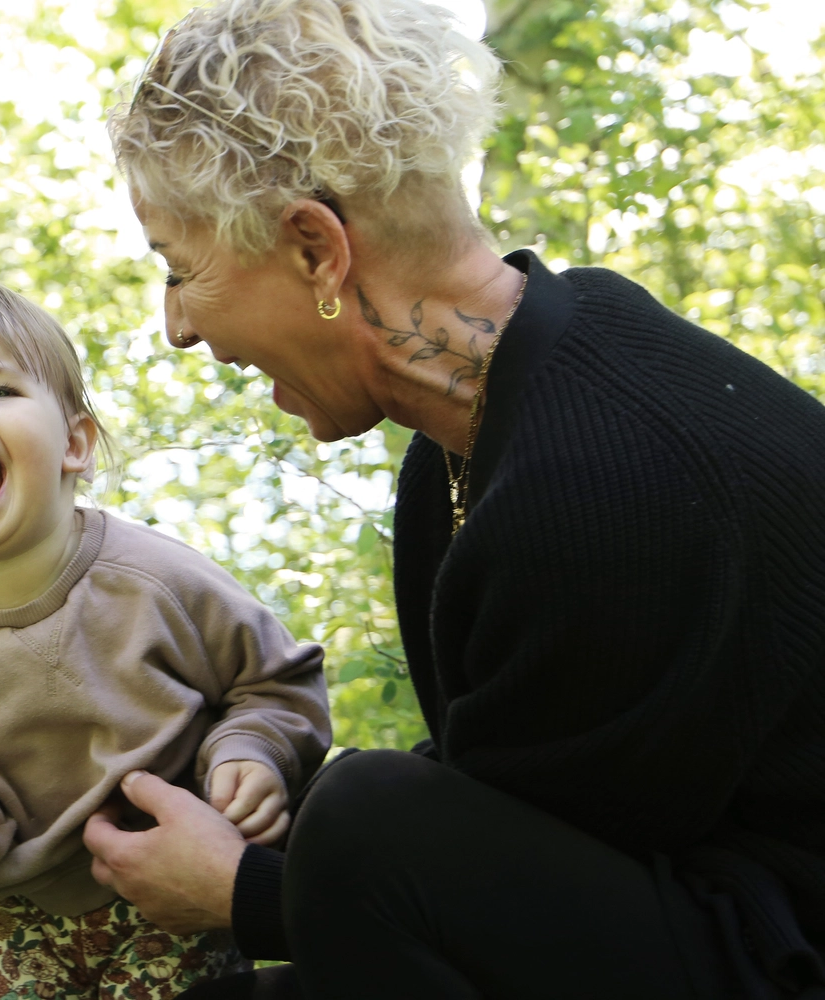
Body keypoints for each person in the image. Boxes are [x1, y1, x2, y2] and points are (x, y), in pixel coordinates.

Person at [82, 1, 825, 997]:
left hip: (779, 946)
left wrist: (245, 892)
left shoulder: (602, 478)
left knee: (361, 810)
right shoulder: (481, 433)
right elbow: (505, 813)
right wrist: (258, 828)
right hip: (681, 915)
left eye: (182, 270)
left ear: (315, 249)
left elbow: (492, 888)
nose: (178, 325)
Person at [0, 278, 333, 999]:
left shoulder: (155, 582)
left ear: (75, 443)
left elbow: (272, 683)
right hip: (23, 917)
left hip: (176, 885)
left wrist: (251, 752)